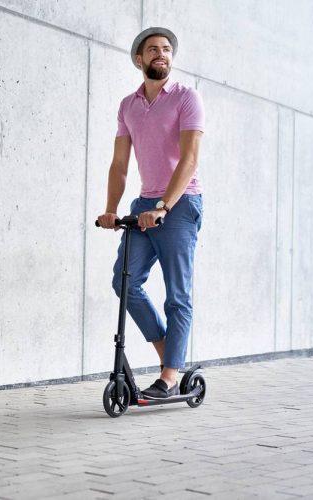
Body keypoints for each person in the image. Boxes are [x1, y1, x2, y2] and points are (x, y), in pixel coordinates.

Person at [97, 27, 204, 399]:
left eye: (167, 49)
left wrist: (163, 207)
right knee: (124, 283)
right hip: (143, 206)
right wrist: (111, 210)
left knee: (177, 294)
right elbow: (120, 165)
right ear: (139, 60)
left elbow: (189, 160)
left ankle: (170, 377)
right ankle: (168, 356)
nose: (162, 53)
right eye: (153, 49)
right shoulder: (128, 106)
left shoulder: (187, 98)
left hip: (179, 203)